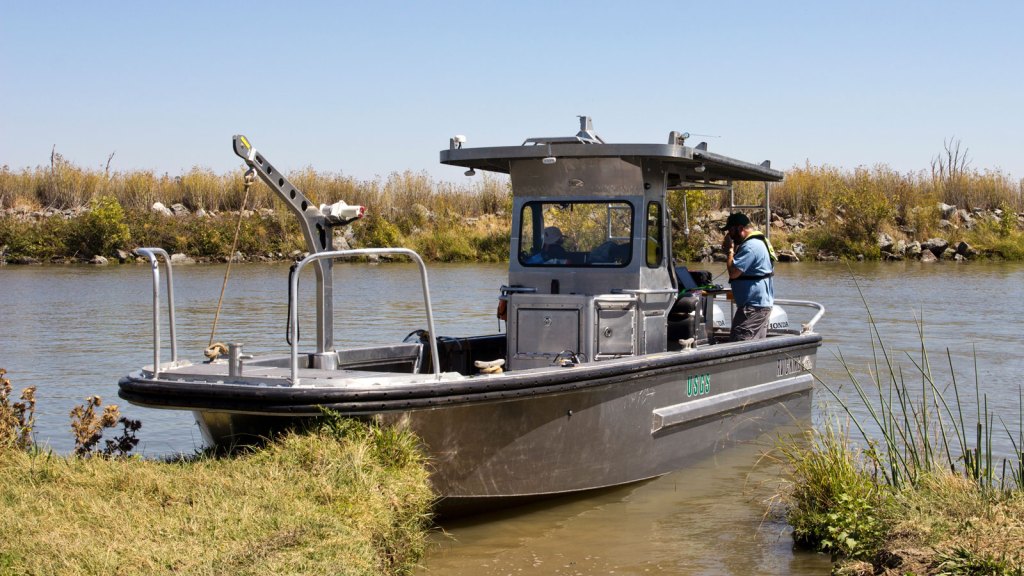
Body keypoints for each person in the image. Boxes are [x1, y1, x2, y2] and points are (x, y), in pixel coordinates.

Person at [721, 213, 776, 341]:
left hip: (753, 309)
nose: (729, 235)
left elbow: (733, 272)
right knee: (754, 348)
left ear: (740, 229)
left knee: (739, 344)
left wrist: (730, 250)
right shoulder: (757, 242)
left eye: (730, 230)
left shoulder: (750, 246)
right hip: (757, 306)